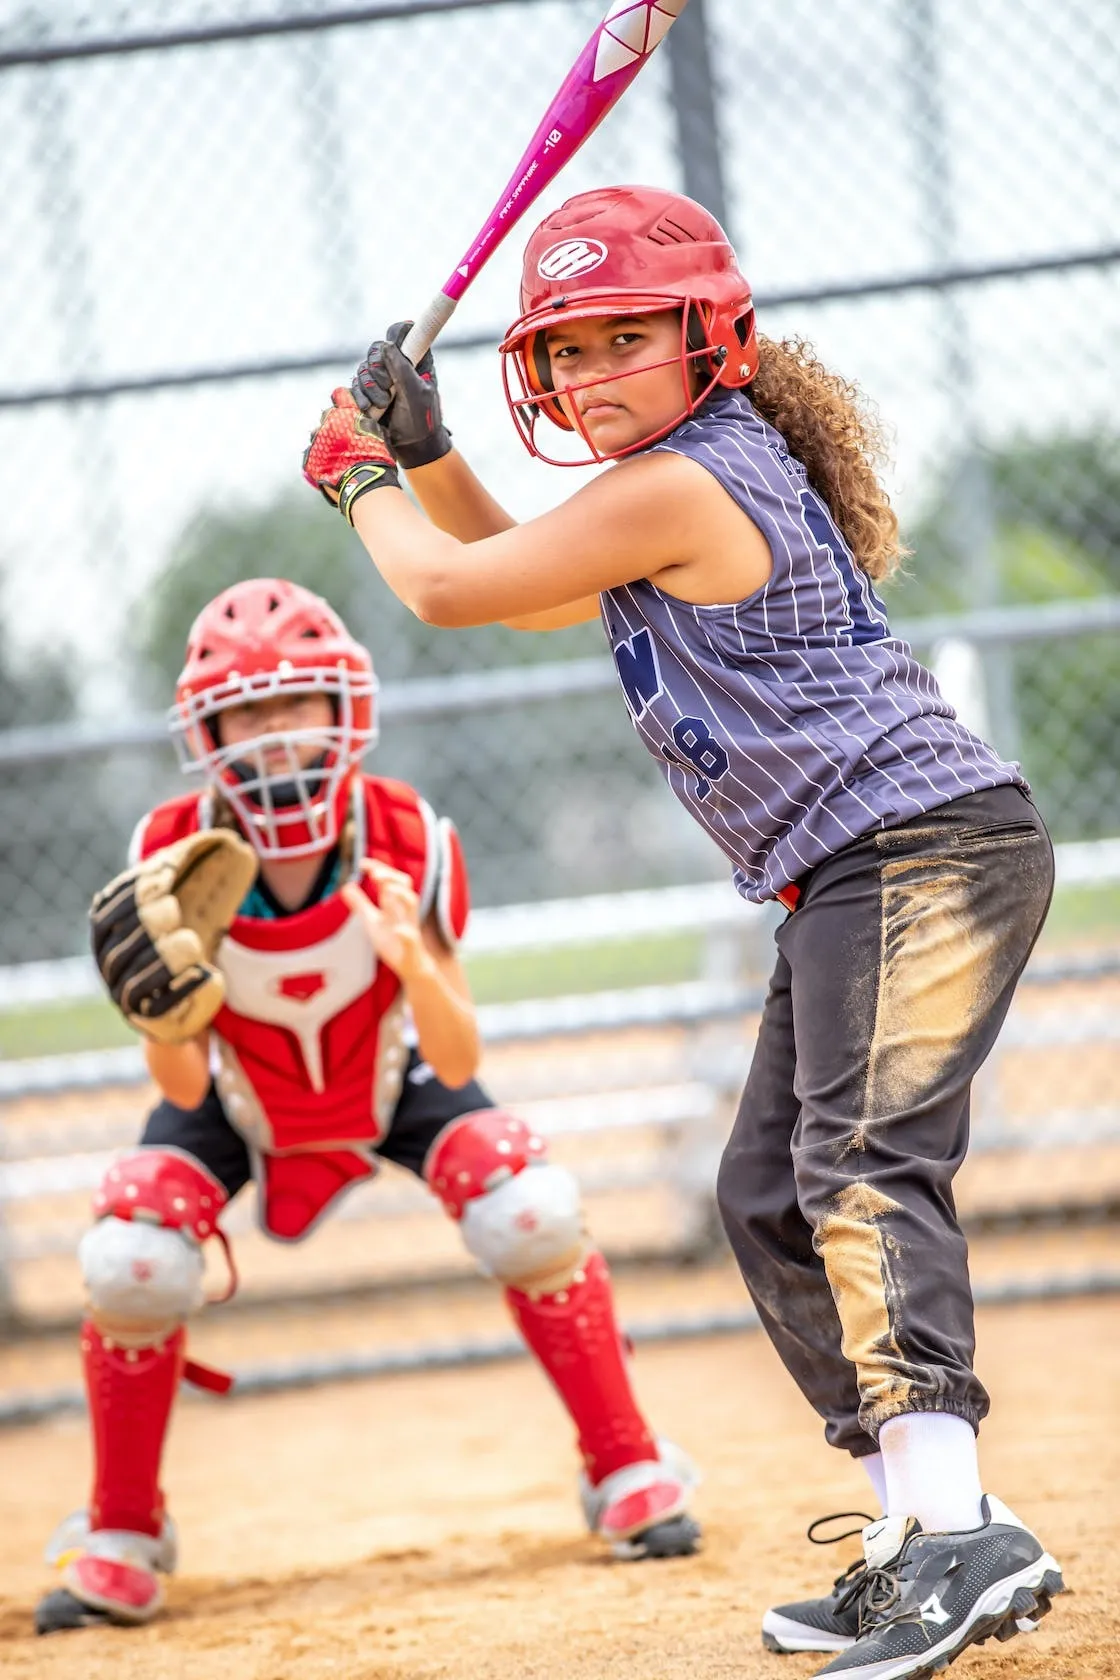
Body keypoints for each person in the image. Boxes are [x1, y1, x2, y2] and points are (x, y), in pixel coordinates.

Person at [301, 184, 1065, 1680]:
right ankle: (925, 1527)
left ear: (713, 337)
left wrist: (359, 480)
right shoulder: (660, 483)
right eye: (565, 351)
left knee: (853, 1167)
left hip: (916, 852)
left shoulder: (686, 479)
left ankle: (955, 1528)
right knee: (769, 1195)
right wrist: (431, 454)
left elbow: (454, 589)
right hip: (862, 869)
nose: (589, 376)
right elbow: (525, 588)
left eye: (625, 339)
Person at [35, 576, 702, 1636]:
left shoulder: (403, 833)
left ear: (342, 707)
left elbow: (455, 1046)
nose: (271, 737)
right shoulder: (169, 846)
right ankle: (122, 1526)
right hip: (238, 1084)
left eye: (293, 704)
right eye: (248, 713)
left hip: (393, 1066)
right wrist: (162, 1015)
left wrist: (410, 960)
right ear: (206, 728)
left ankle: (625, 1465)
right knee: (132, 1256)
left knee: (527, 1205)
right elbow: (183, 1086)